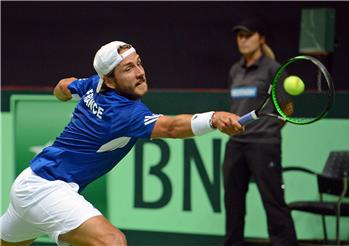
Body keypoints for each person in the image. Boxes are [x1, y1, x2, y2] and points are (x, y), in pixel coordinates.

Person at [0, 41, 245, 246]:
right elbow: (171, 128)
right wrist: (213, 118)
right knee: (112, 241)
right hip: (47, 189)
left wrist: (63, 93)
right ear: (110, 80)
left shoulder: (92, 86)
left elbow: (64, 85)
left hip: (29, 182)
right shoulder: (123, 113)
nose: (140, 72)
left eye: (138, 63)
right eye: (128, 68)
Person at [222, 19, 298, 246]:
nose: (242, 40)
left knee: (273, 202)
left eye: (248, 35)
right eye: (239, 36)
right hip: (236, 145)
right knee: (233, 204)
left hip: (264, 145)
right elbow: (236, 106)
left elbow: (287, 109)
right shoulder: (234, 70)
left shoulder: (274, 69)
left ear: (261, 38)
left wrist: (268, 130)